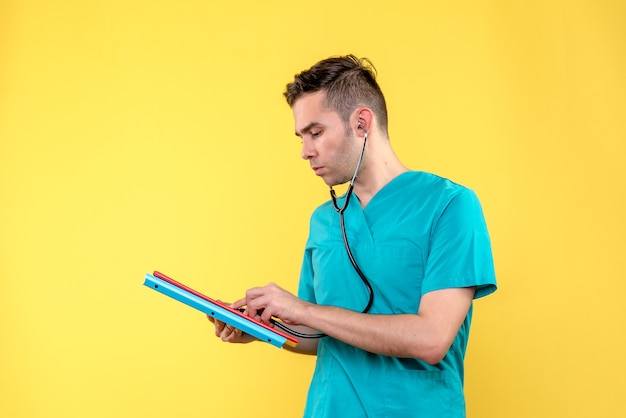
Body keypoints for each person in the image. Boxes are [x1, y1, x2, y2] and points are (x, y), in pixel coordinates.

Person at [209, 55, 497, 417]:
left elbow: (432, 339)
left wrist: (304, 310)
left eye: (316, 133)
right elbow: (317, 337)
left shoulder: (450, 206)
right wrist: (264, 327)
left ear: (362, 123)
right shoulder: (324, 220)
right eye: (301, 137)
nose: (305, 151)